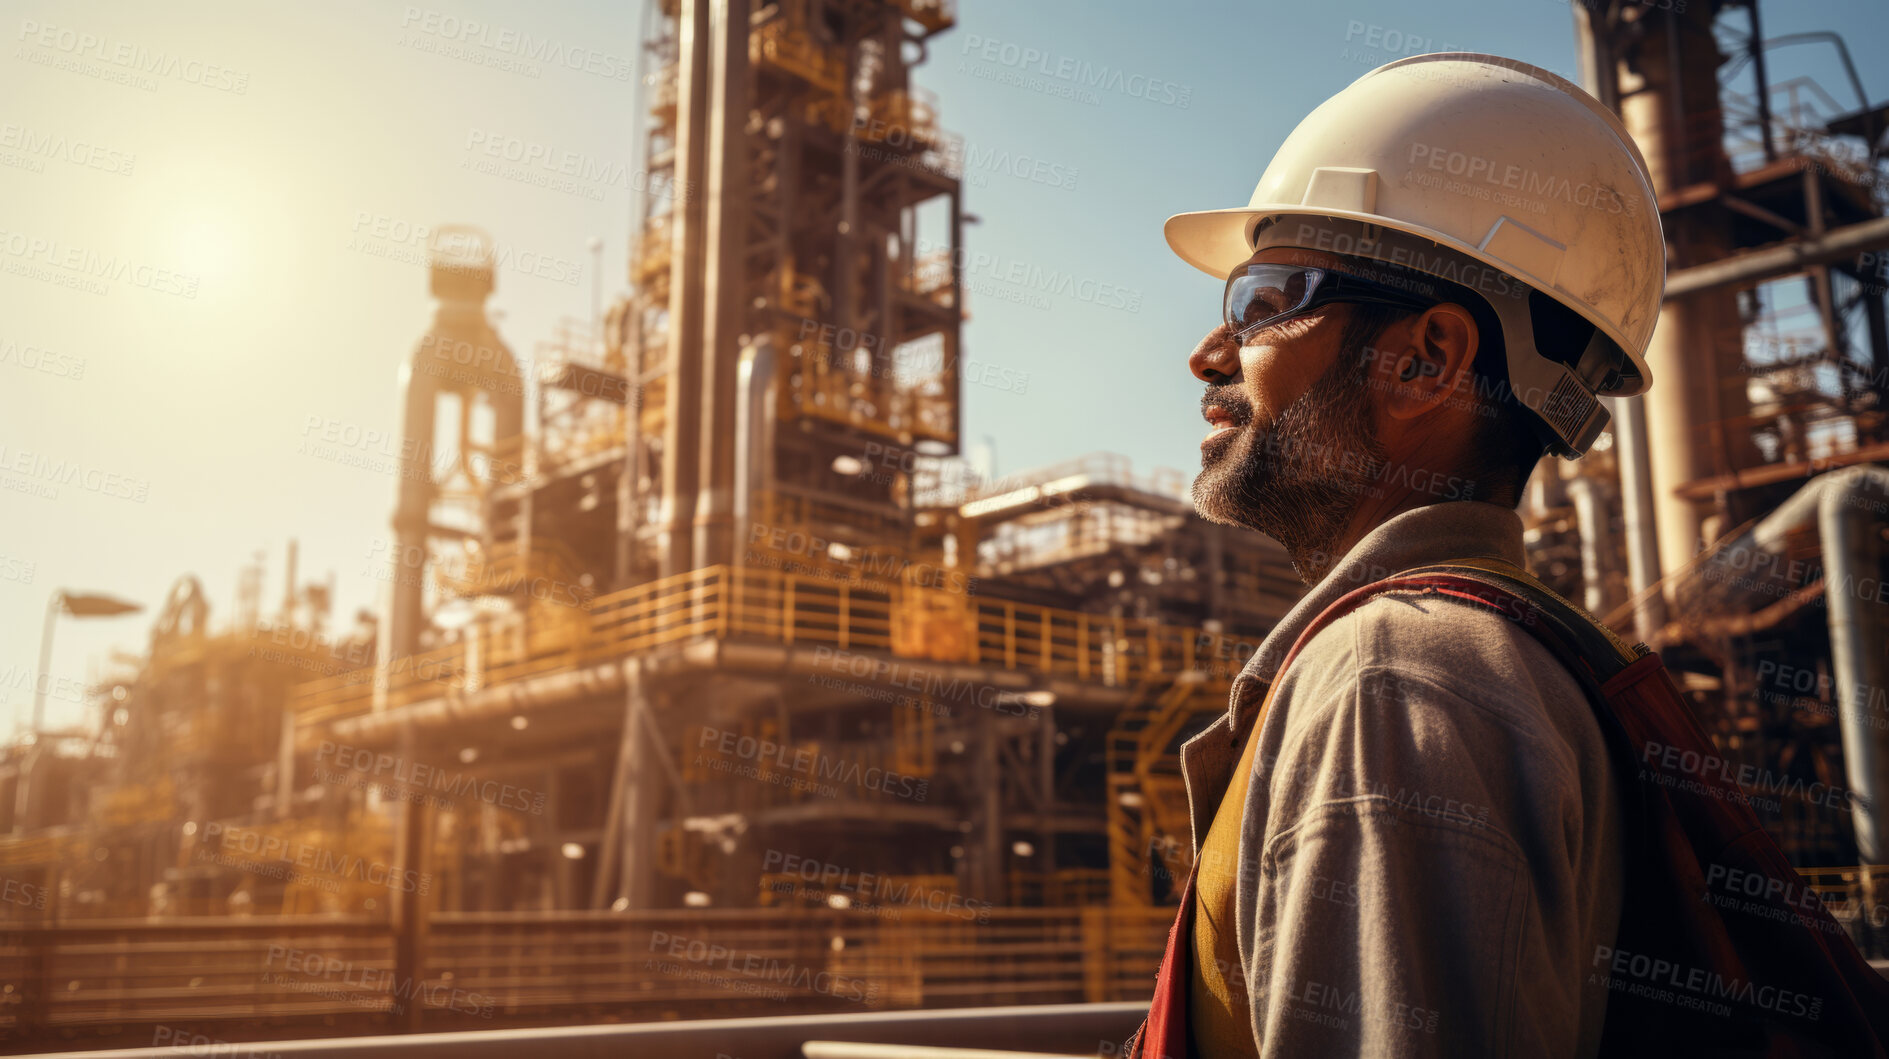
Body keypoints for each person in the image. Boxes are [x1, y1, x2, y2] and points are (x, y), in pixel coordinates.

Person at [1150, 53, 1666, 1057]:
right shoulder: (1509, 660)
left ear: (1427, 359)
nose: (1207, 357)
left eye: (1261, 302)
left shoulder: (1387, 683)